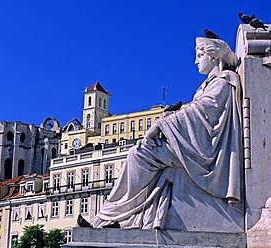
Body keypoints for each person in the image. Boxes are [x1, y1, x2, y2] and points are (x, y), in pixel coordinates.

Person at [91, 37, 242, 229]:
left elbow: (204, 112)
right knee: (139, 151)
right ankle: (118, 216)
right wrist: (171, 117)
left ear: (213, 57)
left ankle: (114, 216)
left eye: (200, 55)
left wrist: (163, 125)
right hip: (195, 144)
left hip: (206, 150)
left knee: (139, 155)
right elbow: (195, 112)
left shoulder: (223, 82)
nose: (196, 61)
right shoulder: (209, 85)